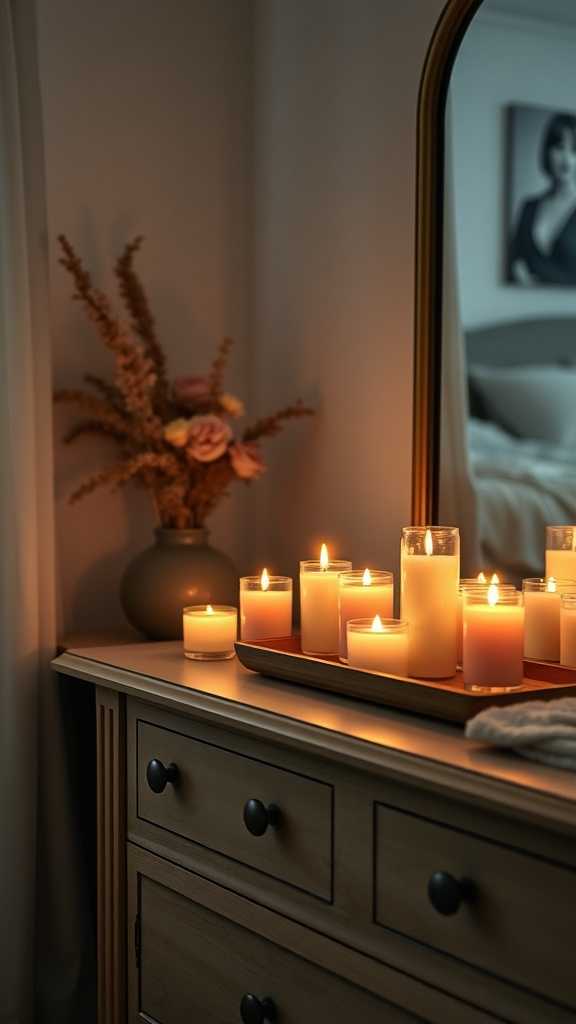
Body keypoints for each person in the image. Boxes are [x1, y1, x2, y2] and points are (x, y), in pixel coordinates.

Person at [508, 113, 576, 285]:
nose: (566, 158)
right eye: (560, 147)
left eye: (574, 150)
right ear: (547, 151)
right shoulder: (528, 207)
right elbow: (514, 260)